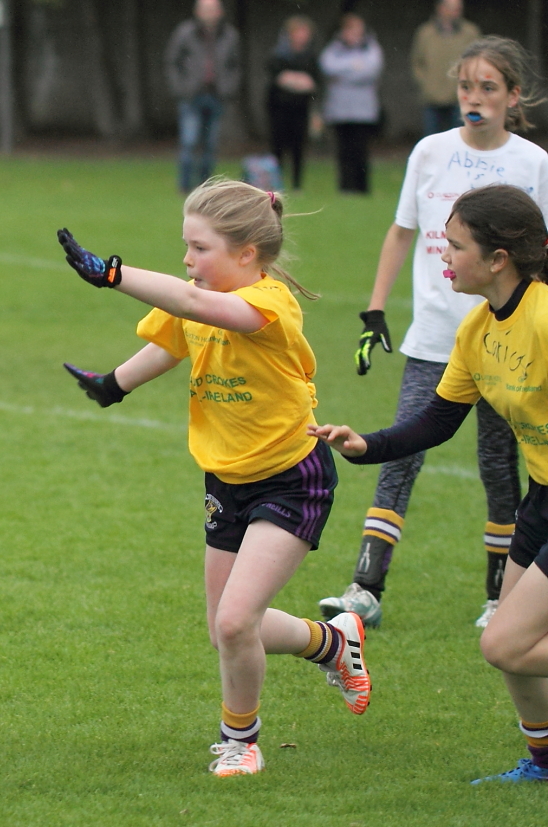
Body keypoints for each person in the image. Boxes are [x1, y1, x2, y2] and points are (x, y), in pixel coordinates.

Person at [56, 179, 370, 778]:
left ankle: (240, 741)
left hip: (290, 476)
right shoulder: (200, 292)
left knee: (234, 621)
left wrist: (112, 274)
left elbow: (197, 309)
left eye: (199, 248)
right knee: (225, 626)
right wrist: (114, 384)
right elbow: (176, 339)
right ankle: (332, 643)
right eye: (186, 247)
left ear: (247, 253)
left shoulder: (270, 305)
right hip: (225, 480)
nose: (187, 262)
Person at [312, 184, 548, 784]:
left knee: (504, 647)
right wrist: (365, 445)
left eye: (456, 244)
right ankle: (544, 765)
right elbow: (437, 423)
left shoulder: (544, 317)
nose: (442, 253)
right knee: (509, 645)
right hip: (540, 499)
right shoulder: (476, 330)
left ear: (499, 259)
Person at [319, 36, 548, 630]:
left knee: (500, 468)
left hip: (516, 358)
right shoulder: (429, 153)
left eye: (487, 88)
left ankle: (501, 593)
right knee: (406, 454)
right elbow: (401, 232)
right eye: (465, 86)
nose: (473, 99)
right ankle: (366, 587)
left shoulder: (533, 166)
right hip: (439, 339)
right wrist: (375, 312)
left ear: (511, 96)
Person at [164, 0, 240, 194]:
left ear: (220, 11)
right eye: (205, 9)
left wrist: (228, 88)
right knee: (189, 142)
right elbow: (173, 62)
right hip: (191, 96)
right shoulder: (184, 33)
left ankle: (205, 187)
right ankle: (184, 185)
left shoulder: (230, 35)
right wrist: (181, 88)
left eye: (212, 9)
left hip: (216, 95)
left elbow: (235, 65)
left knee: (210, 144)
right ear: (197, 11)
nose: (209, 13)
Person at [319, 13, 383, 194]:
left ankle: (362, 188)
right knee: (343, 152)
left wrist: (344, 74)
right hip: (340, 110)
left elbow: (371, 70)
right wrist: (354, 66)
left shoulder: (371, 48)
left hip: (363, 112)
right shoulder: (334, 48)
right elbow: (327, 66)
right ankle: (345, 187)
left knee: (360, 151)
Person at [266, 15, 320, 191]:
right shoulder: (278, 54)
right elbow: (277, 78)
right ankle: (276, 183)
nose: (303, 35)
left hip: (301, 108)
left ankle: (297, 185)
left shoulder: (311, 56)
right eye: (299, 32)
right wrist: (297, 81)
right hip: (279, 108)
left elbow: (314, 83)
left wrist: (293, 80)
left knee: (299, 146)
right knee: (278, 147)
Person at [412, 0, 481, 137]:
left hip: (460, 97)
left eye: (458, 9)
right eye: (452, 8)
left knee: (459, 139)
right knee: (431, 140)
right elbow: (417, 62)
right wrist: (426, 85)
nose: (456, 12)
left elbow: (478, 61)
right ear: (440, 9)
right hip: (432, 97)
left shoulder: (470, 32)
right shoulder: (425, 33)